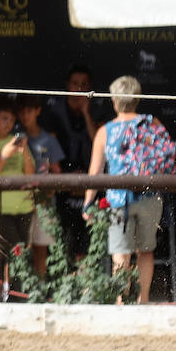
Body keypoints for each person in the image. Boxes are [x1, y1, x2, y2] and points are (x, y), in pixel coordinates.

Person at [82, 75, 176, 304]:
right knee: (145, 251)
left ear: (114, 101)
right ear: (137, 99)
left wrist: (88, 202)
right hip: (150, 196)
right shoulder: (152, 123)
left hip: (118, 199)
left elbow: (94, 173)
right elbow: (169, 155)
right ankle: (143, 299)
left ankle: (121, 300)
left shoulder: (105, 131)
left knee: (121, 253)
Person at [41, 64, 106, 257]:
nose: (79, 89)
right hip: (63, 180)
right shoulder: (54, 112)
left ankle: (86, 280)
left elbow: (100, 143)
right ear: (67, 85)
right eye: (75, 84)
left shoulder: (97, 110)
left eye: (84, 85)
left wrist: (86, 114)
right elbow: (49, 150)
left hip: (91, 180)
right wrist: (66, 177)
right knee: (60, 236)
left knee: (87, 236)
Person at [0, 96, 34, 288]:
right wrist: (4, 156)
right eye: (4, 118)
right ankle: (9, 295)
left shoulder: (16, 141)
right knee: (11, 251)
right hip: (0, 208)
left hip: (24, 205)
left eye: (12, 120)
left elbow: (30, 175)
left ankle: (18, 294)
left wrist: (23, 153)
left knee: (22, 252)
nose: (9, 124)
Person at [17, 94, 65, 277]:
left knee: (40, 249)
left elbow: (57, 171)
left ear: (38, 111)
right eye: (21, 112)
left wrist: (48, 192)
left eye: (28, 111)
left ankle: (40, 289)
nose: (24, 116)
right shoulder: (14, 137)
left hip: (43, 202)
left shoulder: (49, 140)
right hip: (19, 201)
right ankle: (17, 291)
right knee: (18, 248)